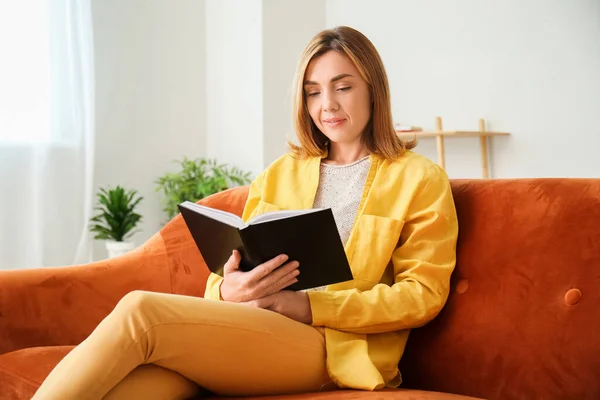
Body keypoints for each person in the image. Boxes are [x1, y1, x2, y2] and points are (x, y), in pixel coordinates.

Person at [33, 26, 458, 399]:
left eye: (342, 87)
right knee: (136, 386)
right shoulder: (279, 174)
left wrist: (309, 307)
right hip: (251, 329)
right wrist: (227, 291)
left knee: (141, 311)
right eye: (313, 92)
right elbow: (227, 268)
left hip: (334, 350)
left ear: (373, 88)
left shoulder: (420, 179)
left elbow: (422, 295)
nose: (327, 104)